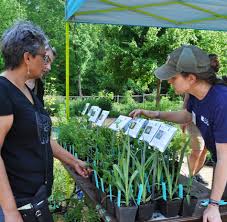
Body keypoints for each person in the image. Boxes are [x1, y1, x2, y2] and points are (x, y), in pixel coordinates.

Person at [0, 21, 90, 222]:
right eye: (44, 57)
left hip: (36, 201)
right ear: (28, 57)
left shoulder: (28, 91)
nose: (47, 64)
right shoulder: (3, 91)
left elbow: (41, 139)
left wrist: (73, 161)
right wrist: (10, 212)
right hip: (17, 205)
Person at [130, 45, 227, 222]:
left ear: (191, 78)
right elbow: (187, 115)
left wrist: (213, 204)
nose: (169, 81)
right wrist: (156, 114)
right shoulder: (199, 96)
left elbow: (224, 158)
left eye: (173, 77)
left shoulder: (221, 102)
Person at [181, 53, 220, 185]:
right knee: (198, 148)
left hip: (206, 119)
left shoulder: (216, 82)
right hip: (192, 117)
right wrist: (184, 117)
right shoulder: (194, 79)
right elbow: (187, 99)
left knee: (205, 149)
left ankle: (195, 175)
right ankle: (190, 177)